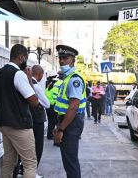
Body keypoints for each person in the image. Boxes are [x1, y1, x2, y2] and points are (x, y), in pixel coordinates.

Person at [0, 44, 39, 178]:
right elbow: (34, 101)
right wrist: (29, 80)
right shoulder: (18, 74)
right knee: (30, 162)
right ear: (21, 57)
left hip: (3, 123)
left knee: (9, 161)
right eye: (26, 58)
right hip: (19, 125)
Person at [53, 45, 86, 178]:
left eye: (65, 58)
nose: (62, 61)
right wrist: (58, 126)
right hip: (67, 121)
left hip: (71, 122)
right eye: (60, 58)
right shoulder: (67, 78)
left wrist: (61, 129)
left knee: (70, 162)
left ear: (72, 60)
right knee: (68, 161)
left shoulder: (74, 79)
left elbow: (73, 107)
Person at [30, 65, 49, 173]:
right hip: (37, 119)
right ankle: (33, 171)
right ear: (40, 74)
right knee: (38, 146)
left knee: (30, 146)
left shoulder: (27, 83)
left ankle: (26, 169)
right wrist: (39, 103)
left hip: (29, 118)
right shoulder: (36, 86)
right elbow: (47, 104)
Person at [45, 74, 62, 140]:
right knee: (55, 121)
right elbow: (56, 96)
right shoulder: (58, 84)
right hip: (54, 105)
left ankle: (50, 135)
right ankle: (52, 135)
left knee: (51, 121)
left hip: (48, 105)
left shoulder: (49, 85)